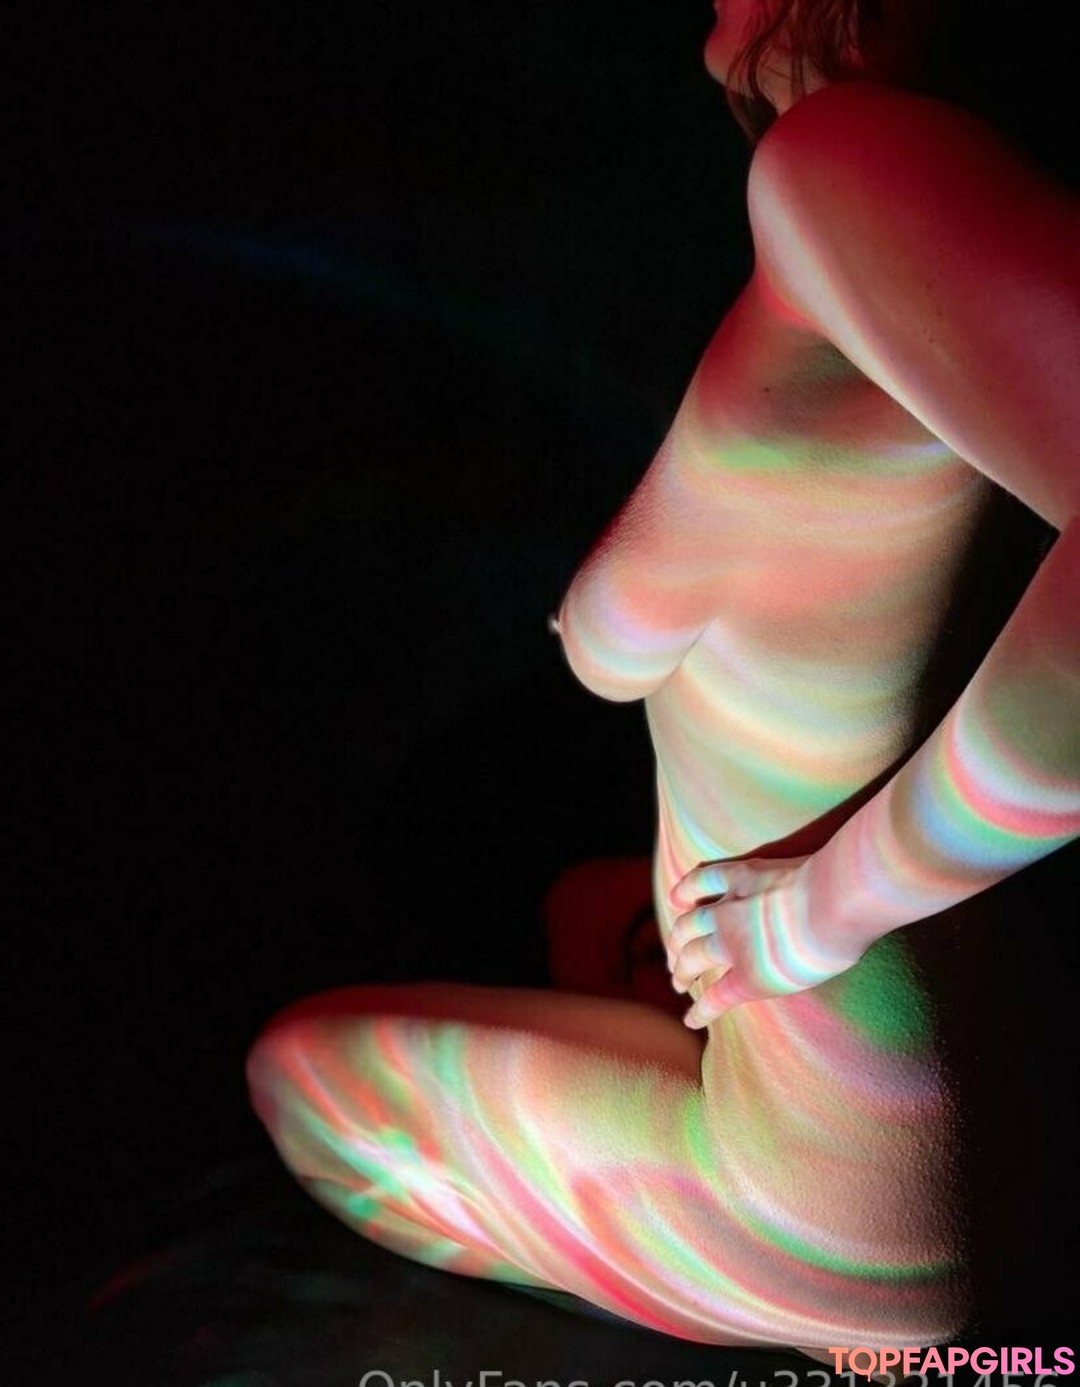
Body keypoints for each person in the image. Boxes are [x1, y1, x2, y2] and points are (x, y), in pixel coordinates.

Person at [246, 0, 1079, 1358]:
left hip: (851, 1214)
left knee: (304, 1088)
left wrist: (826, 909)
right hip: (983, 1131)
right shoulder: (891, 216)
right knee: (589, 912)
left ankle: (853, 1322)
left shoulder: (847, 162)